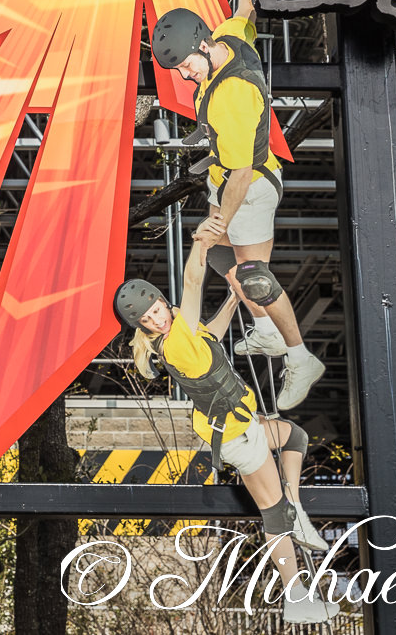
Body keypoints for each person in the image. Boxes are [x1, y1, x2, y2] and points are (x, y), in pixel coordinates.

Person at [116, 238, 341, 626]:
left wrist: (235, 299)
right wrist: (201, 244)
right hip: (237, 436)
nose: (156, 320)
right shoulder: (175, 340)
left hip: (243, 425)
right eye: (147, 320)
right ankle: (297, 597)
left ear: (159, 304)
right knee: (273, 516)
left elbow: (212, 335)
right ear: (142, 327)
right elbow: (191, 282)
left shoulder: (185, 336)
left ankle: (297, 507)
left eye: (155, 311)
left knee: (293, 437)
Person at [150, 0, 326, 410]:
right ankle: (265, 329)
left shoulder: (233, 94)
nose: (186, 76)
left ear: (203, 46)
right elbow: (245, 10)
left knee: (254, 277)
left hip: (247, 190)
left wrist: (219, 219)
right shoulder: (228, 40)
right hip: (224, 182)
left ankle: (300, 357)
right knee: (222, 259)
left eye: (187, 66)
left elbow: (242, 173)